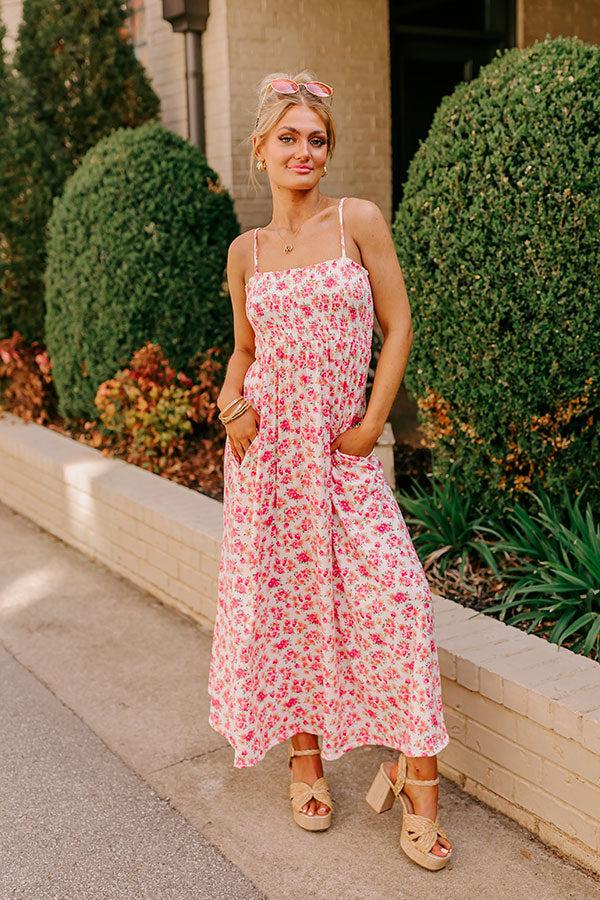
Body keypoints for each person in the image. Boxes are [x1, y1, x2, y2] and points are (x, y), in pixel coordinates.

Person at [208, 70, 453, 870]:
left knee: (401, 600)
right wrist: (230, 406)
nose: (304, 151)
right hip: (267, 463)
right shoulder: (245, 252)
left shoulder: (357, 221)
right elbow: (243, 352)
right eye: (289, 137)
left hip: (341, 452)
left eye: (316, 139)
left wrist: (375, 423)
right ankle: (305, 762)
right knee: (288, 610)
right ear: (260, 150)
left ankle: (417, 784)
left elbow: (398, 322)